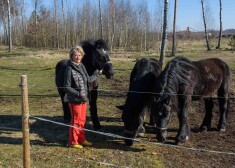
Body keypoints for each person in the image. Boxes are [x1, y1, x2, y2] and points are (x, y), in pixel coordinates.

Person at [63, 46, 102, 149]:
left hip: (84, 99)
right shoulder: (69, 69)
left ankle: (82, 139)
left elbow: (88, 80)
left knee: (82, 120)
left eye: (80, 55)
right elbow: (66, 87)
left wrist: (98, 73)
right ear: (71, 56)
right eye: (76, 55)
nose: (78, 57)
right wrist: (78, 93)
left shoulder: (82, 66)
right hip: (74, 100)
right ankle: (73, 141)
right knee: (75, 121)